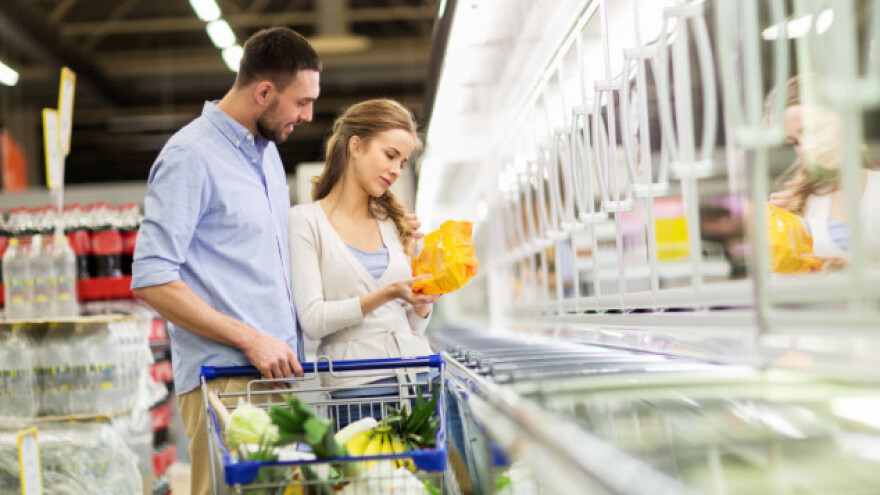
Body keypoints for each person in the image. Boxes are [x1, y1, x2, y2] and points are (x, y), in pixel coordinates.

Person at [130, 27, 320, 495]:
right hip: (226, 383)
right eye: (301, 102)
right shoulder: (189, 157)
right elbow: (152, 278)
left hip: (276, 378)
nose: (308, 115)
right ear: (263, 92)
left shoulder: (268, 157)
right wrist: (251, 339)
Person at [288, 99, 438, 391]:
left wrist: (421, 304)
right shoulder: (306, 221)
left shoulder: (396, 224)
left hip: (420, 378)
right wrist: (388, 292)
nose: (396, 170)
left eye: (402, 162)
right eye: (390, 155)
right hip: (357, 386)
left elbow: (412, 327)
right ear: (356, 147)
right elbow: (313, 320)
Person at [766, 75, 880, 263]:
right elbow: (783, 285)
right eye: (794, 142)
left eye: (812, 130)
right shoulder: (801, 202)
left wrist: (857, 273)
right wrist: (783, 233)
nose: (806, 148)